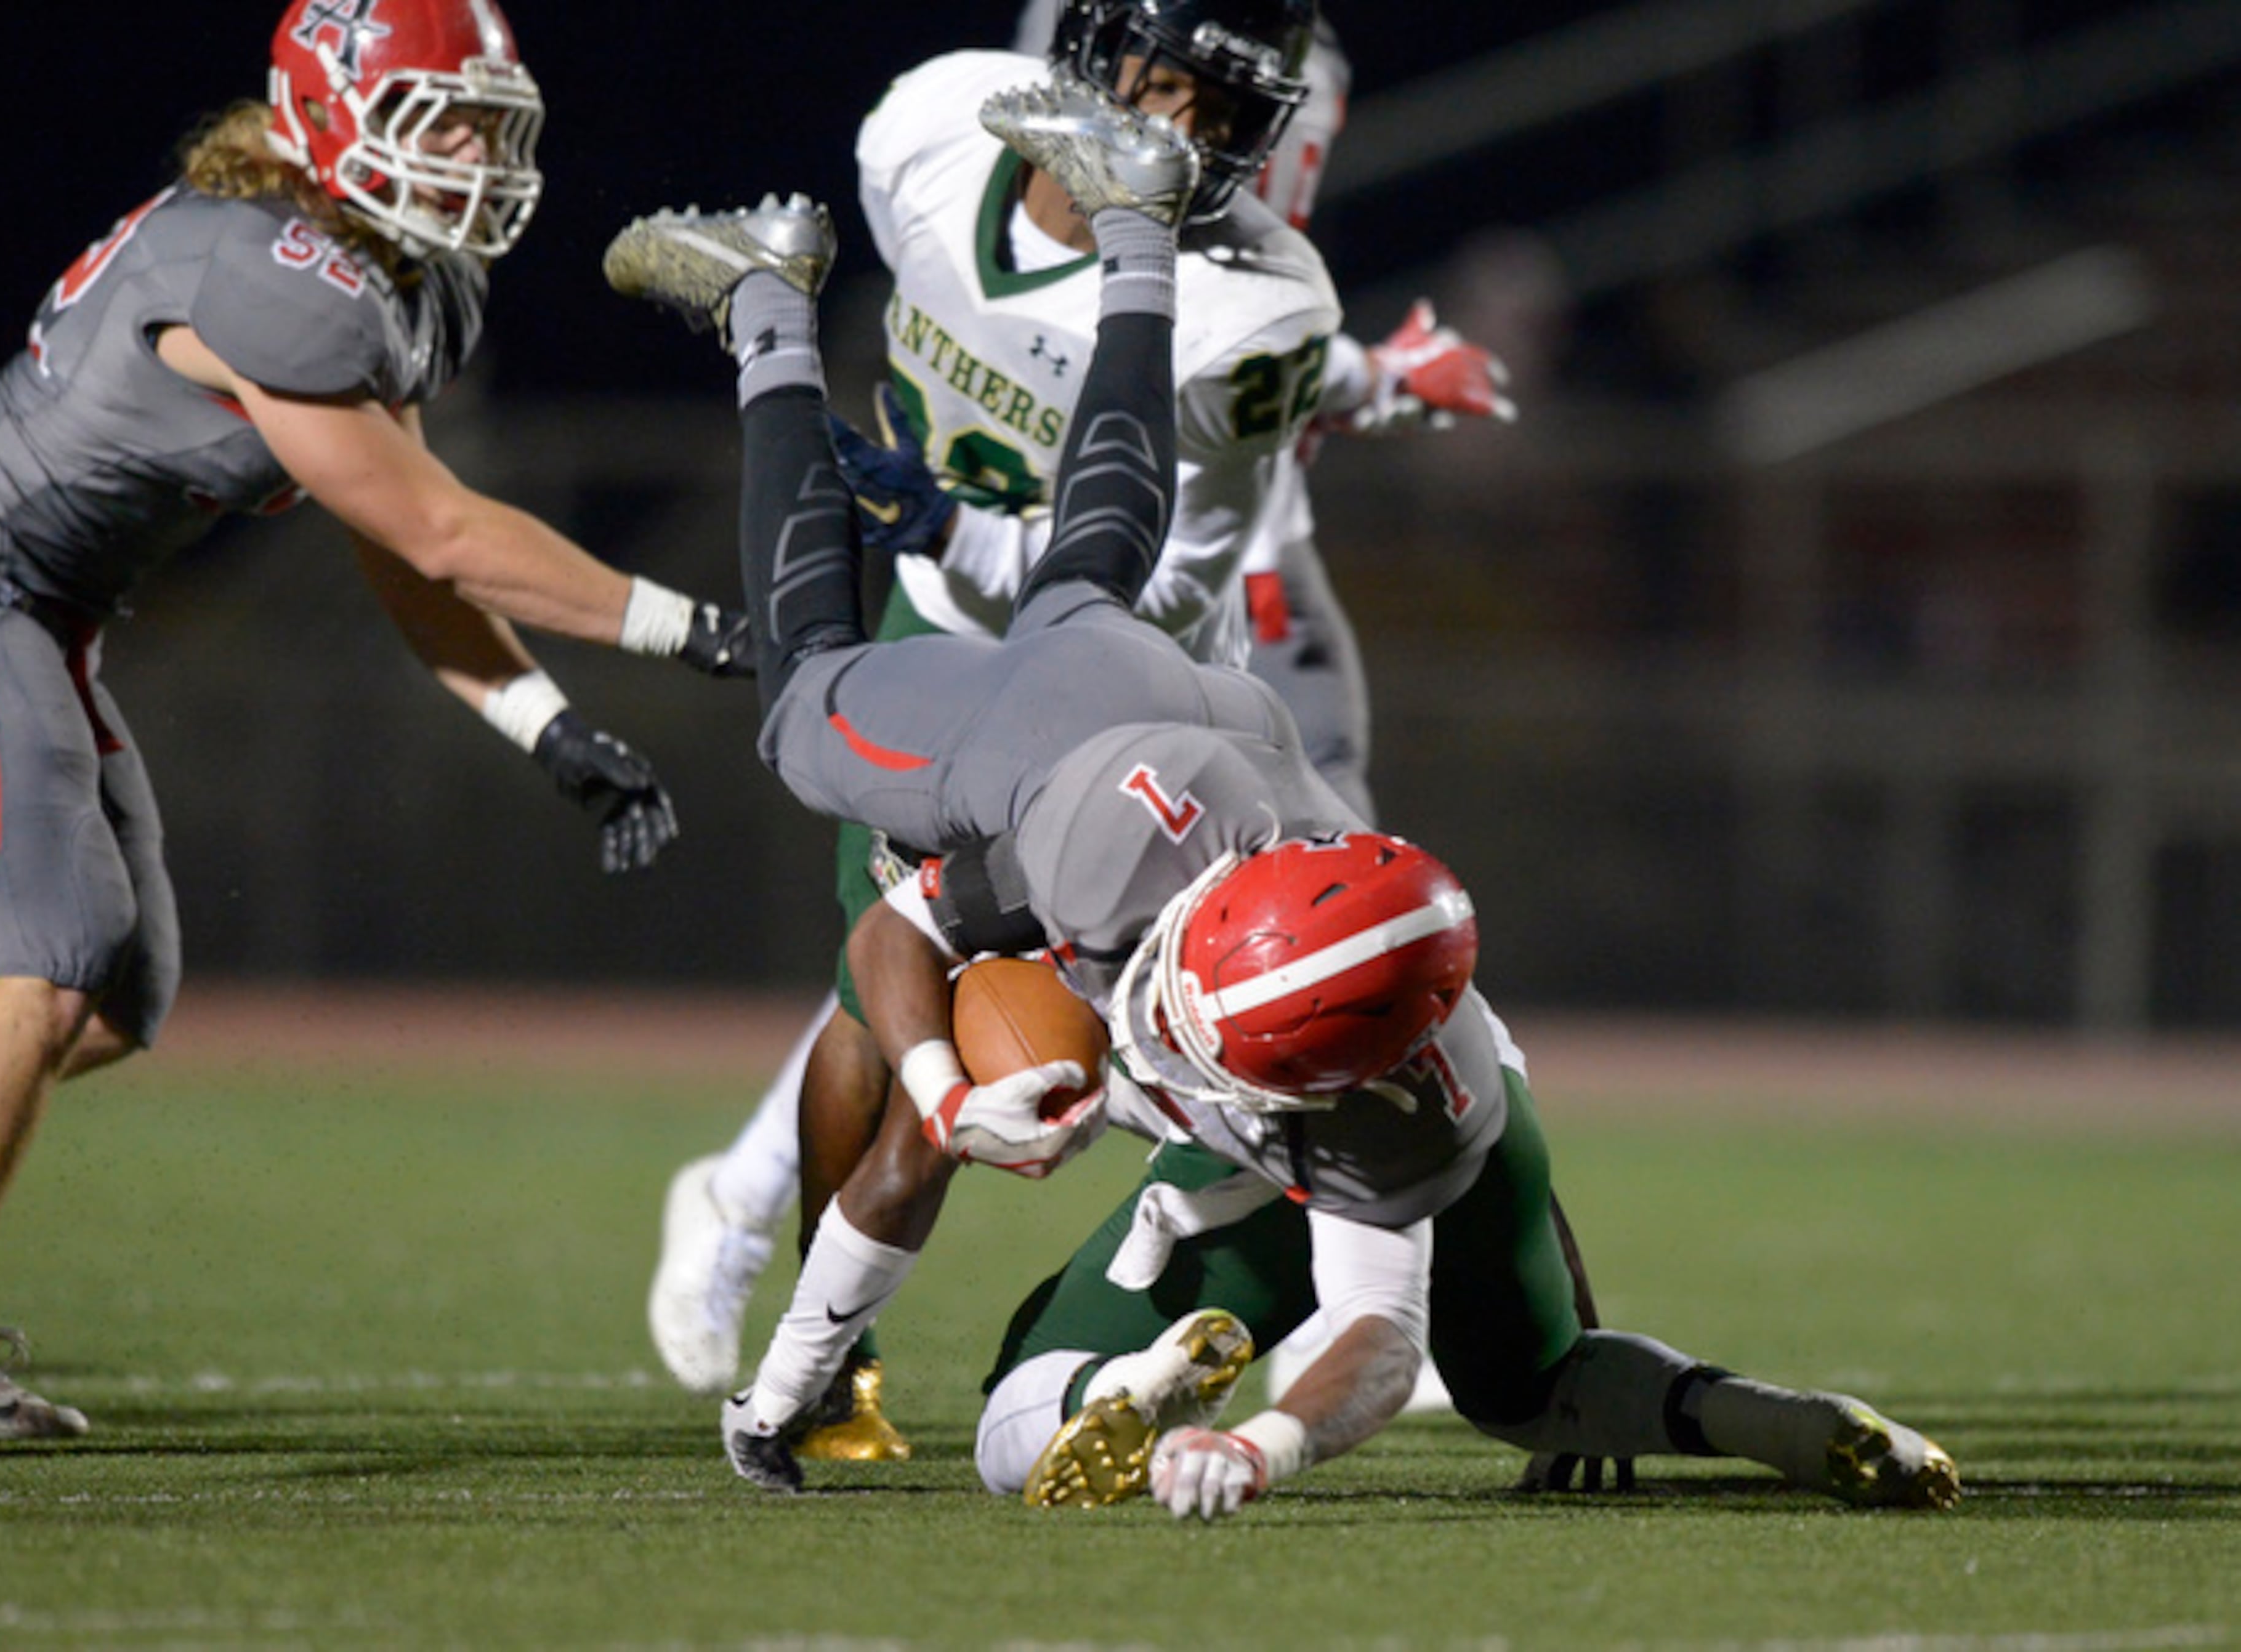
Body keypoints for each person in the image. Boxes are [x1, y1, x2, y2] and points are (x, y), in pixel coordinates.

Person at [607, 80, 1961, 1515]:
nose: (1179, 1049)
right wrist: (943, 1097)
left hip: (1226, 797)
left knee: (1099, 551)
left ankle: (1777, 1423)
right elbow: (899, 933)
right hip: (1092, 738)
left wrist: (1263, 1443)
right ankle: (773, 306)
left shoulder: (1393, 1091)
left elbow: (1382, 1337)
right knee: (809, 712)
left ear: (1341, 1071)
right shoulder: (1101, 856)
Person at [642, 0, 1511, 1446]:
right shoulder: (937, 124)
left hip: (1117, 702)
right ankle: (810, 1310)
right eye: (1166, 90)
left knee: (1190, 1006)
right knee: (894, 996)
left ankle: (764, 319)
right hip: (1001, 643)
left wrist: (947, 524)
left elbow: (1173, 565)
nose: (1192, 132)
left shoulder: (1260, 300)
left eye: (1226, 115)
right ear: (1089, 57)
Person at [0, 0, 744, 1441]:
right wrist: (693, 626)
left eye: (493, 127)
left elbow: (400, 546)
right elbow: (448, 533)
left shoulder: (394, 276)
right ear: (332, 113)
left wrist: (543, 721)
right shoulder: (268, 266)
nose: (474, 156)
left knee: (113, 997)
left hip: (43, 605)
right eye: (441, 118)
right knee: (56, 961)